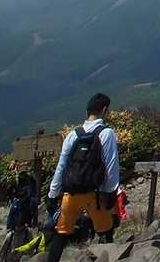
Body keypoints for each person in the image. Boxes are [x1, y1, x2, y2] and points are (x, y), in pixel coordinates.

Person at [44, 93, 120, 262]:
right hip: (94, 196)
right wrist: (110, 193)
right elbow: (111, 166)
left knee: (61, 233)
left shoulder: (73, 135)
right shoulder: (106, 133)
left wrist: (52, 194)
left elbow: (61, 166)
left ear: (87, 111)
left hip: (70, 194)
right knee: (106, 229)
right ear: (105, 110)